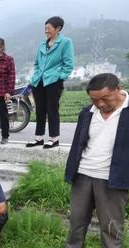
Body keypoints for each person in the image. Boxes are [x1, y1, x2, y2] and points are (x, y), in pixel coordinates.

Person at [51, 73, 129, 248]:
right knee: (77, 221)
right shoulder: (88, 113)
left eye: (105, 99)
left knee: (111, 226)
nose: (100, 104)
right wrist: (71, 172)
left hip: (113, 180)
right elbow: (78, 144)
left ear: (118, 89)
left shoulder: (128, 112)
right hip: (84, 175)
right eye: (94, 100)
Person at [27, 16, 75, 149]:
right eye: (45, 28)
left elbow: (69, 64)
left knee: (52, 109)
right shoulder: (43, 43)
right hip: (38, 81)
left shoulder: (65, 42)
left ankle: (54, 139)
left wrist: (60, 77)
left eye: (48, 28)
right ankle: (39, 138)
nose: (45, 31)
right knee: (40, 109)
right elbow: (37, 63)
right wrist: (35, 75)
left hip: (53, 81)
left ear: (58, 28)